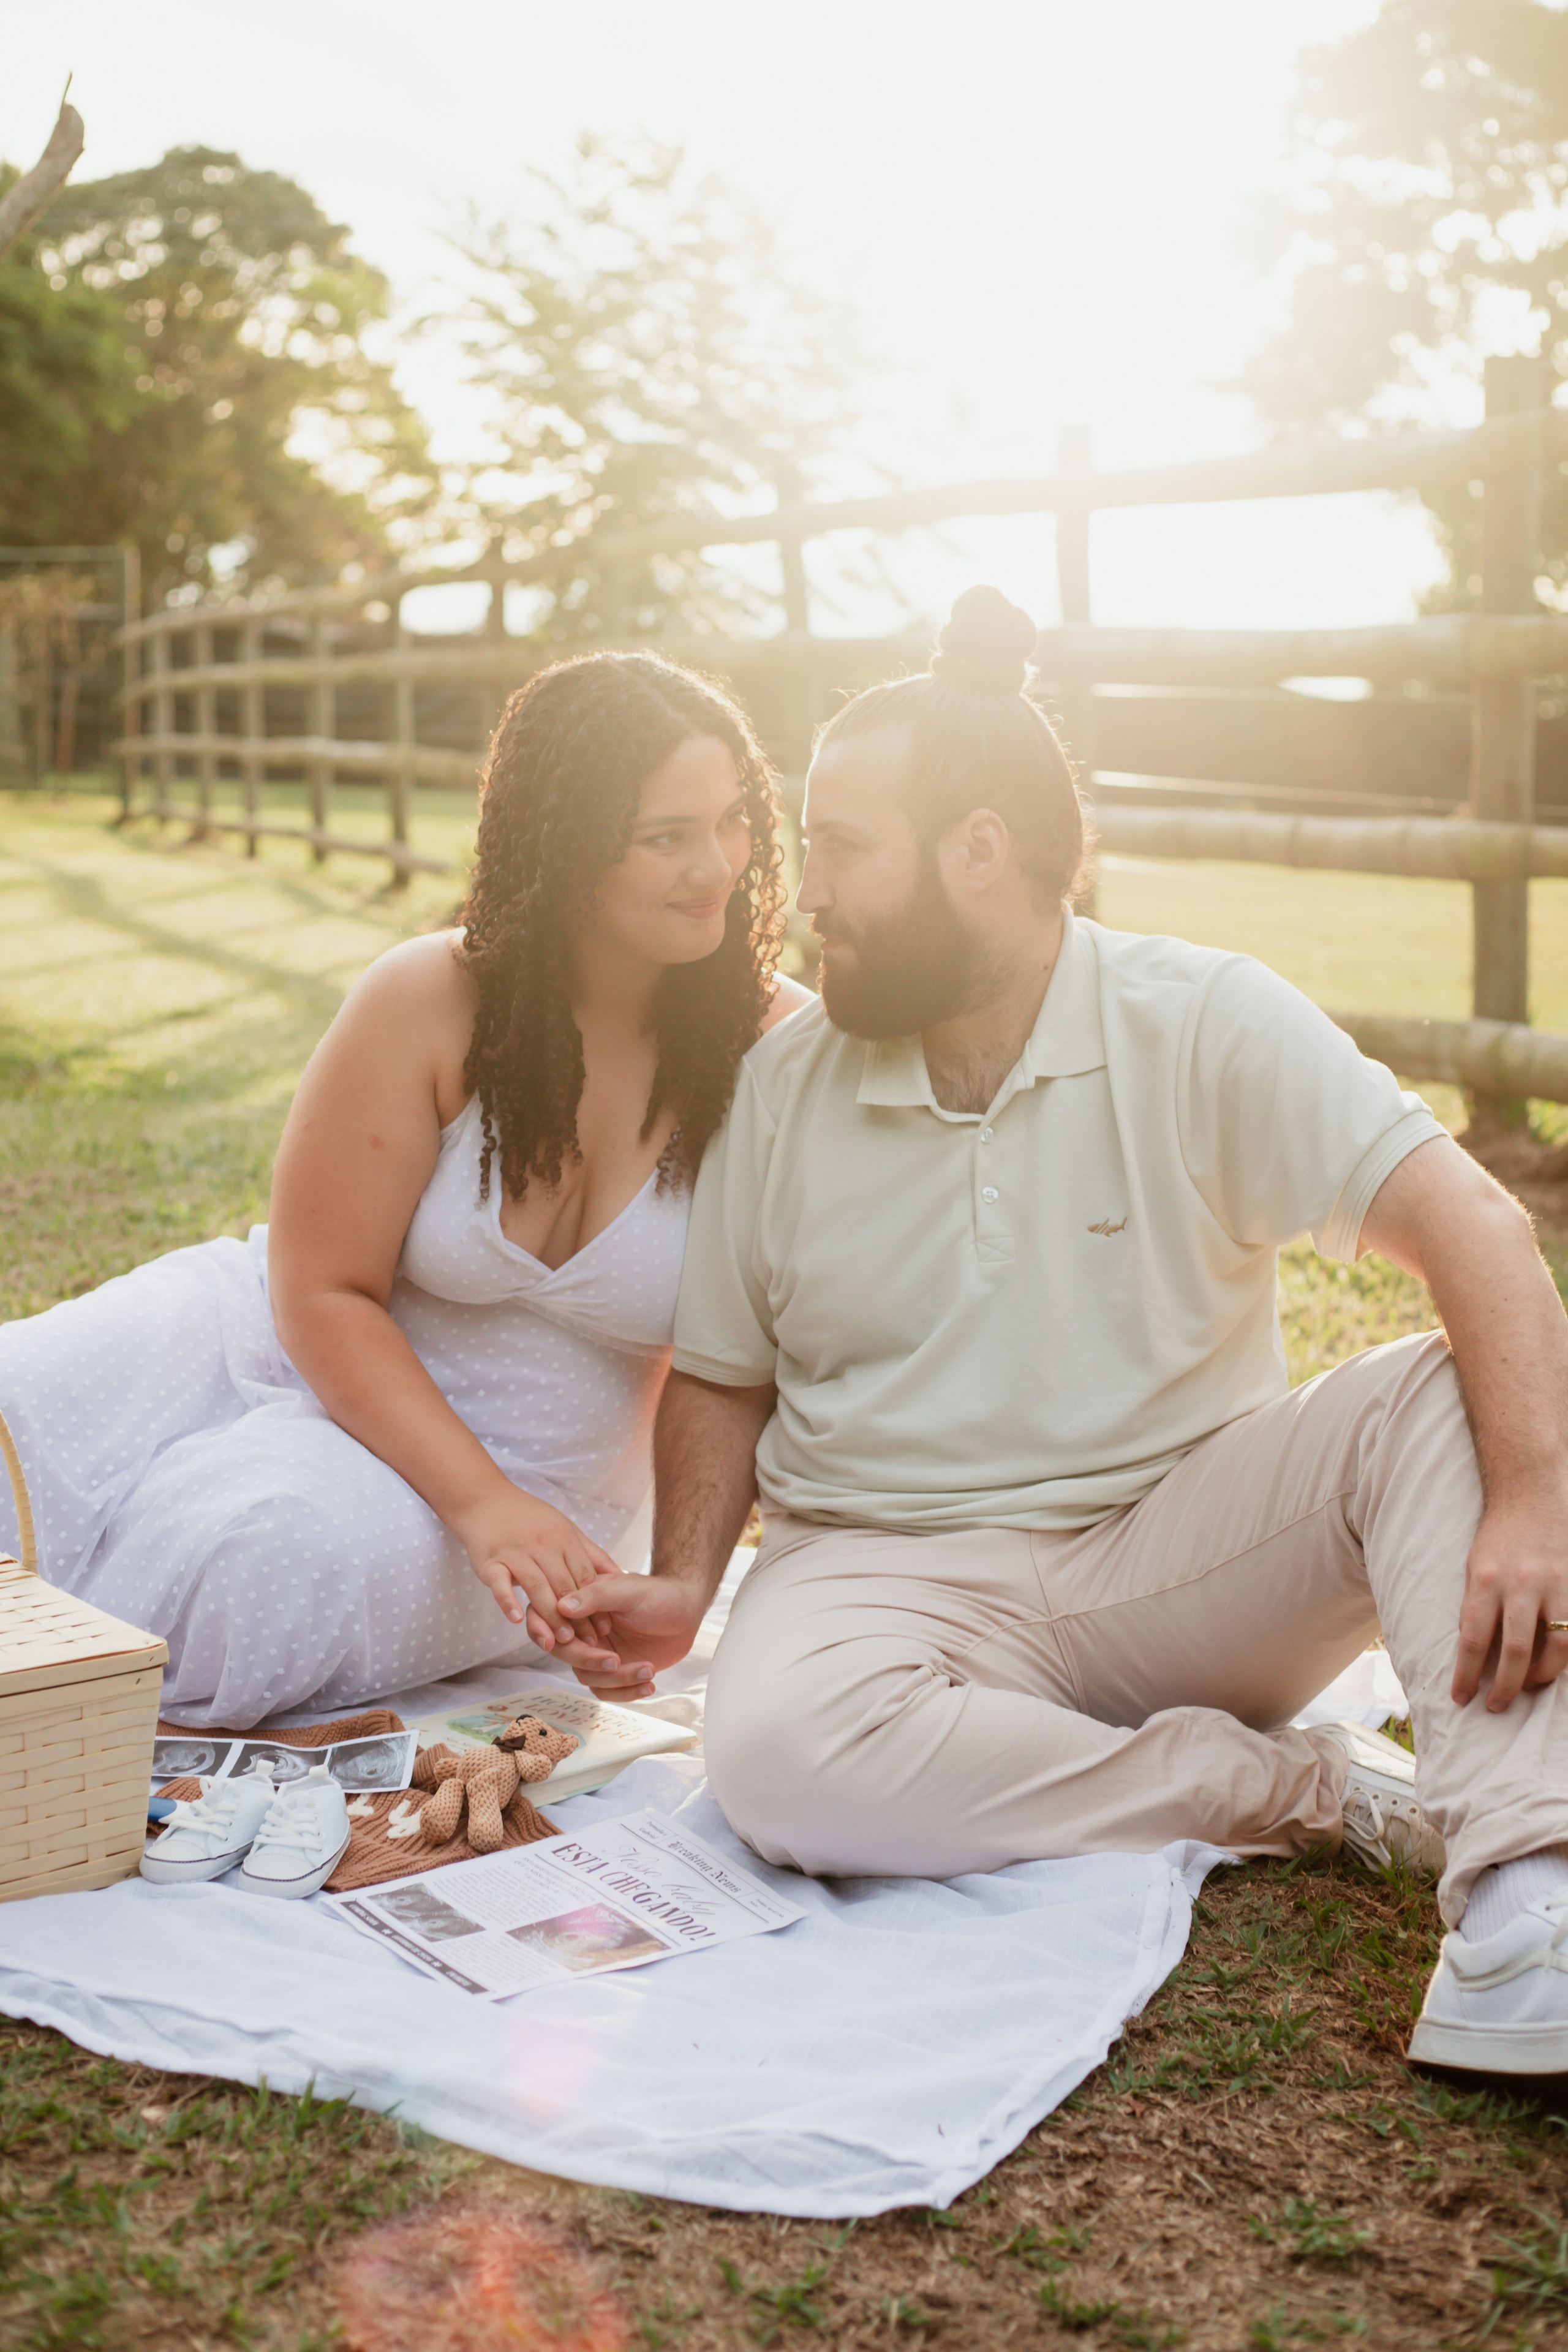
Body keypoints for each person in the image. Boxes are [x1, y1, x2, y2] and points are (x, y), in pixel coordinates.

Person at [560, 587, 1568, 2078]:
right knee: (773, 1761)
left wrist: (1538, 1496)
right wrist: (681, 1578)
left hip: (1175, 1553)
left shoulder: (1203, 1017)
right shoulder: (781, 1087)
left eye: (837, 846)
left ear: (978, 851)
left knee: (1432, 1400)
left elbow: (1474, 1229)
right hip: (879, 1574)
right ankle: (1287, 1790)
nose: (798, 889)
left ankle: (1527, 1899)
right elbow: (720, 1375)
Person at [0, 651, 809, 1727]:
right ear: (566, 849)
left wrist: (514, 1516)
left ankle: (55, 1707)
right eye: (668, 836)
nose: (717, 865)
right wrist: (479, 1504)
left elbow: (758, 1364)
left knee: (252, 1563)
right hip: (283, 1333)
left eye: (733, 820)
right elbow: (323, 1286)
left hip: (537, 1478)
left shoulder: (779, 1052)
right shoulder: (430, 996)